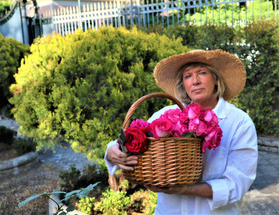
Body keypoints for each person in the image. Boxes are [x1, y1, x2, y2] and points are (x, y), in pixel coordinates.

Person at [105, 49, 258, 215]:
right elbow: (137, 137)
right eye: (188, 76)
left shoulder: (239, 123)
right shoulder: (166, 115)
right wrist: (111, 150)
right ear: (183, 85)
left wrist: (185, 189)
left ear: (216, 79)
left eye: (202, 73)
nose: (195, 81)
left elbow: (236, 185)